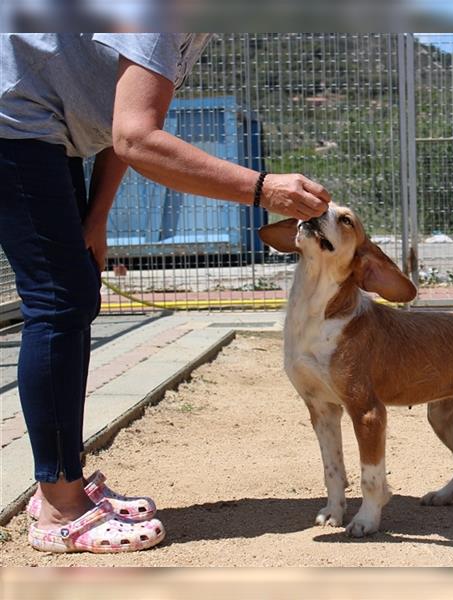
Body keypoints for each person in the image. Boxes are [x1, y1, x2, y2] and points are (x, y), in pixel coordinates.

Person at [0, 33, 330, 553]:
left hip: (46, 123)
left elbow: (126, 119)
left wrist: (99, 216)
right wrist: (261, 189)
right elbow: (137, 139)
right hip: (13, 115)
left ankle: (60, 483)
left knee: (77, 293)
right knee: (59, 301)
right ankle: (60, 505)